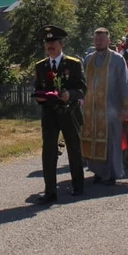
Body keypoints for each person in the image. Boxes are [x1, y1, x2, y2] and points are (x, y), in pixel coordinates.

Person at [34, 25, 87, 204]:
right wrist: (39, 98)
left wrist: (69, 95)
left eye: (54, 42)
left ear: (61, 44)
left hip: (69, 112)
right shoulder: (40, 66)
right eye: (47, 43)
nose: (50, 46)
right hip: (49, 114)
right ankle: (50, 191)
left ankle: (77, 185)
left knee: (74, 149)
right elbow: (37, 90)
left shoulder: (73, 63)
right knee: (48, 151)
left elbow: (82, 88)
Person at [81, 28, 128, 185]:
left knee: (112, 142)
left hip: (112, 108)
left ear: (108, 41)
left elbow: (124, 83)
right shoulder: (88, 59)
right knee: (93, 139)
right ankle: (98, 172)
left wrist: (124, 107)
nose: (98, 42)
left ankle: (112, 174)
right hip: (91, 110)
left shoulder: (117, 59)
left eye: (101, 39)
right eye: (96, 39)